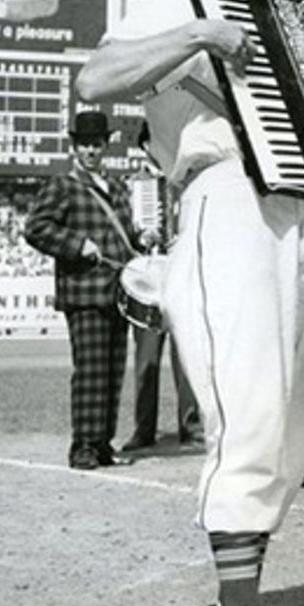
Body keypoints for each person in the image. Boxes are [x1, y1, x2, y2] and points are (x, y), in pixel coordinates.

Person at [75, 0, 304, 606]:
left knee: (294, 426)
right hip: (221, 198)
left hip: (301, 211)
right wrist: (195, 34)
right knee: (246, 414)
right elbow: (93, 79)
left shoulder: (293, 18)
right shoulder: (171, 3)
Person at [23, 110, 147, 470]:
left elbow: (124, 237)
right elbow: (36, 228)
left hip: (117, 294)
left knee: (112, 373)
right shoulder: (63, 185)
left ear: (104, 145)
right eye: (84, 144)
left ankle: (103, 441)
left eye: (96, 144)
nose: (91, 150)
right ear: (74, 146)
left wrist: (142, 239)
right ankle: (84, 446)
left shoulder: (119, 188)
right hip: (83, 293)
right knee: (91, 371)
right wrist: (78, 245)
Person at [121, 122, 203, 453]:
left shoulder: (186, 182)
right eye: (152, 142)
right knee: (147, 359)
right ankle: (144, 429)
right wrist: (139, 237)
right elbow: (122, 232)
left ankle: (191, 425)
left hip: (182, 276)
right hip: (150, 280)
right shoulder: (133, 186)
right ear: (144, 146)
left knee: (187, 357)